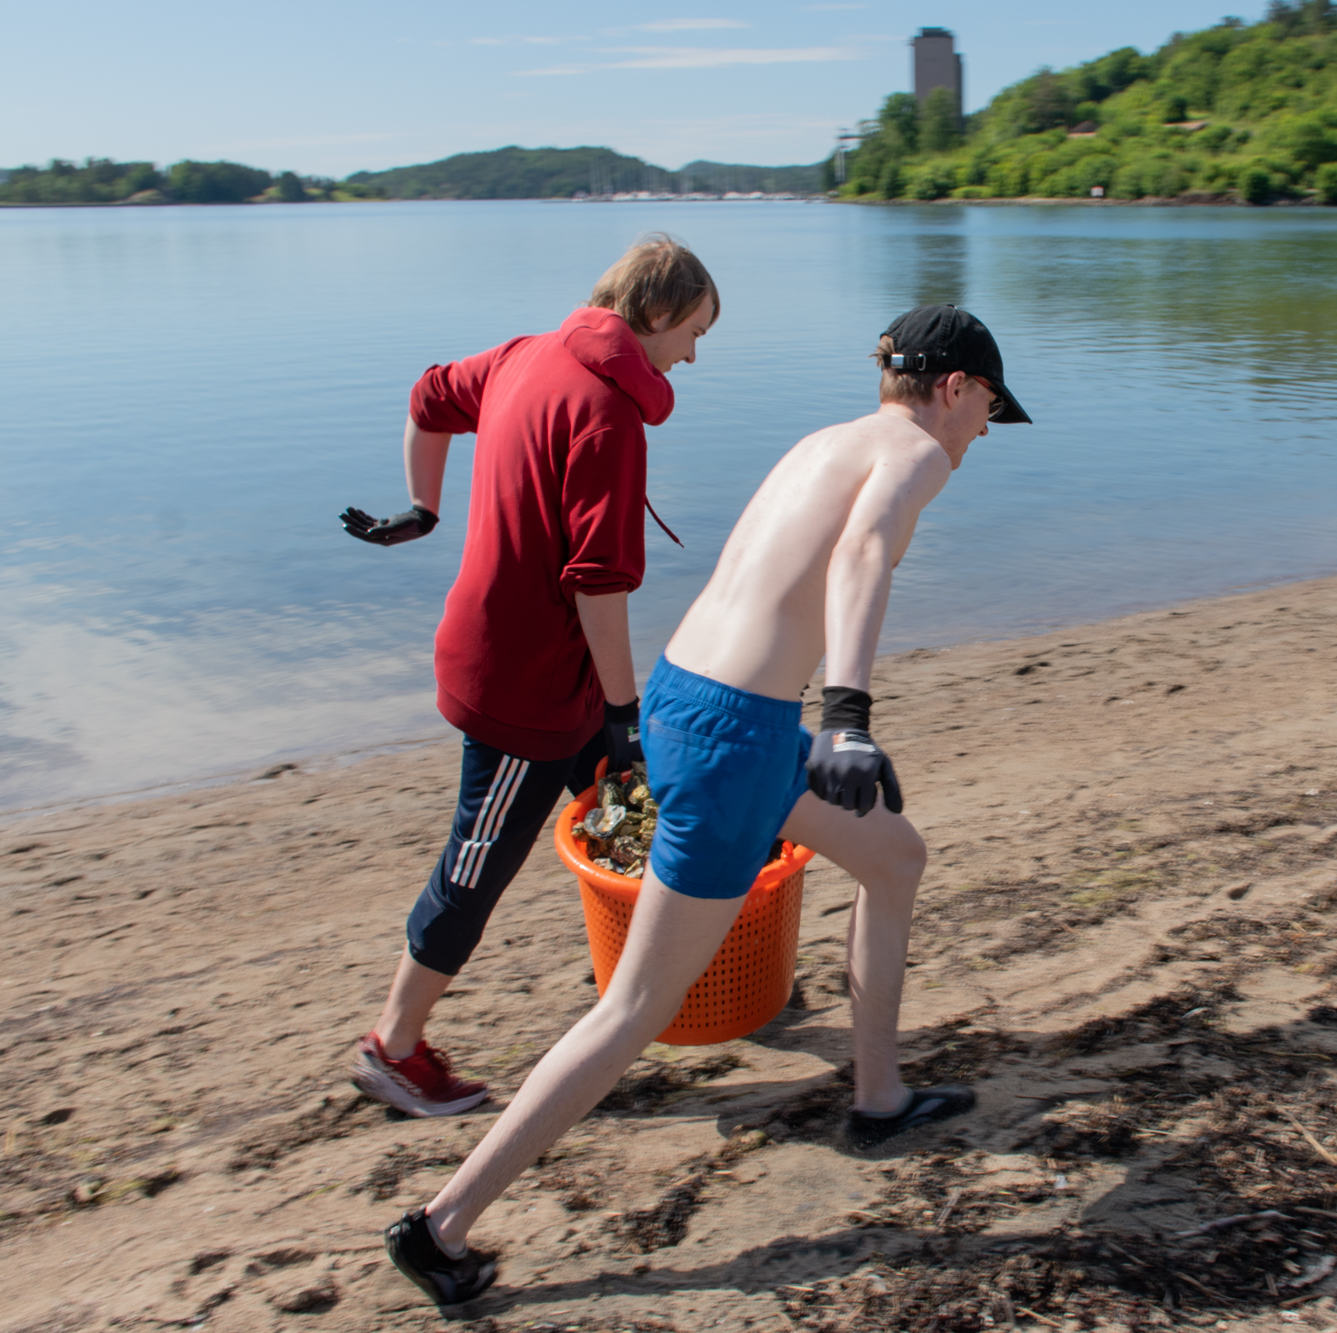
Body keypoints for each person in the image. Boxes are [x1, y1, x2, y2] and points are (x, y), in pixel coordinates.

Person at [382, 305, 1031, 1305]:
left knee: (895, 857)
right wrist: (848, 715)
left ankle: (876, 1095)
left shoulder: (827, 440)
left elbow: (762, 600)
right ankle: (441, 1226)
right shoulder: (913, 450)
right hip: (732, 740)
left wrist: (805, 740)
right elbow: (860, 558)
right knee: (634, 1008)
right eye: (989, 405)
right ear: (953, 387)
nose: (985, 429)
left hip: (706, 703)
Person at [339, 235, 718, 1118]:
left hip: (552, 670)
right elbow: (597, 582)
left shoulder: (521, 356)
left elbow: (429, 397)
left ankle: (662, 989)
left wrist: (423, 508)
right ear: (654, 313)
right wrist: (623, 711)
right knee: (477, 864)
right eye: (694, 331)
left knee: (639, 808)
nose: (694, 354)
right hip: (527, 688)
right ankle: (392, 1047)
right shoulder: (608, 414)